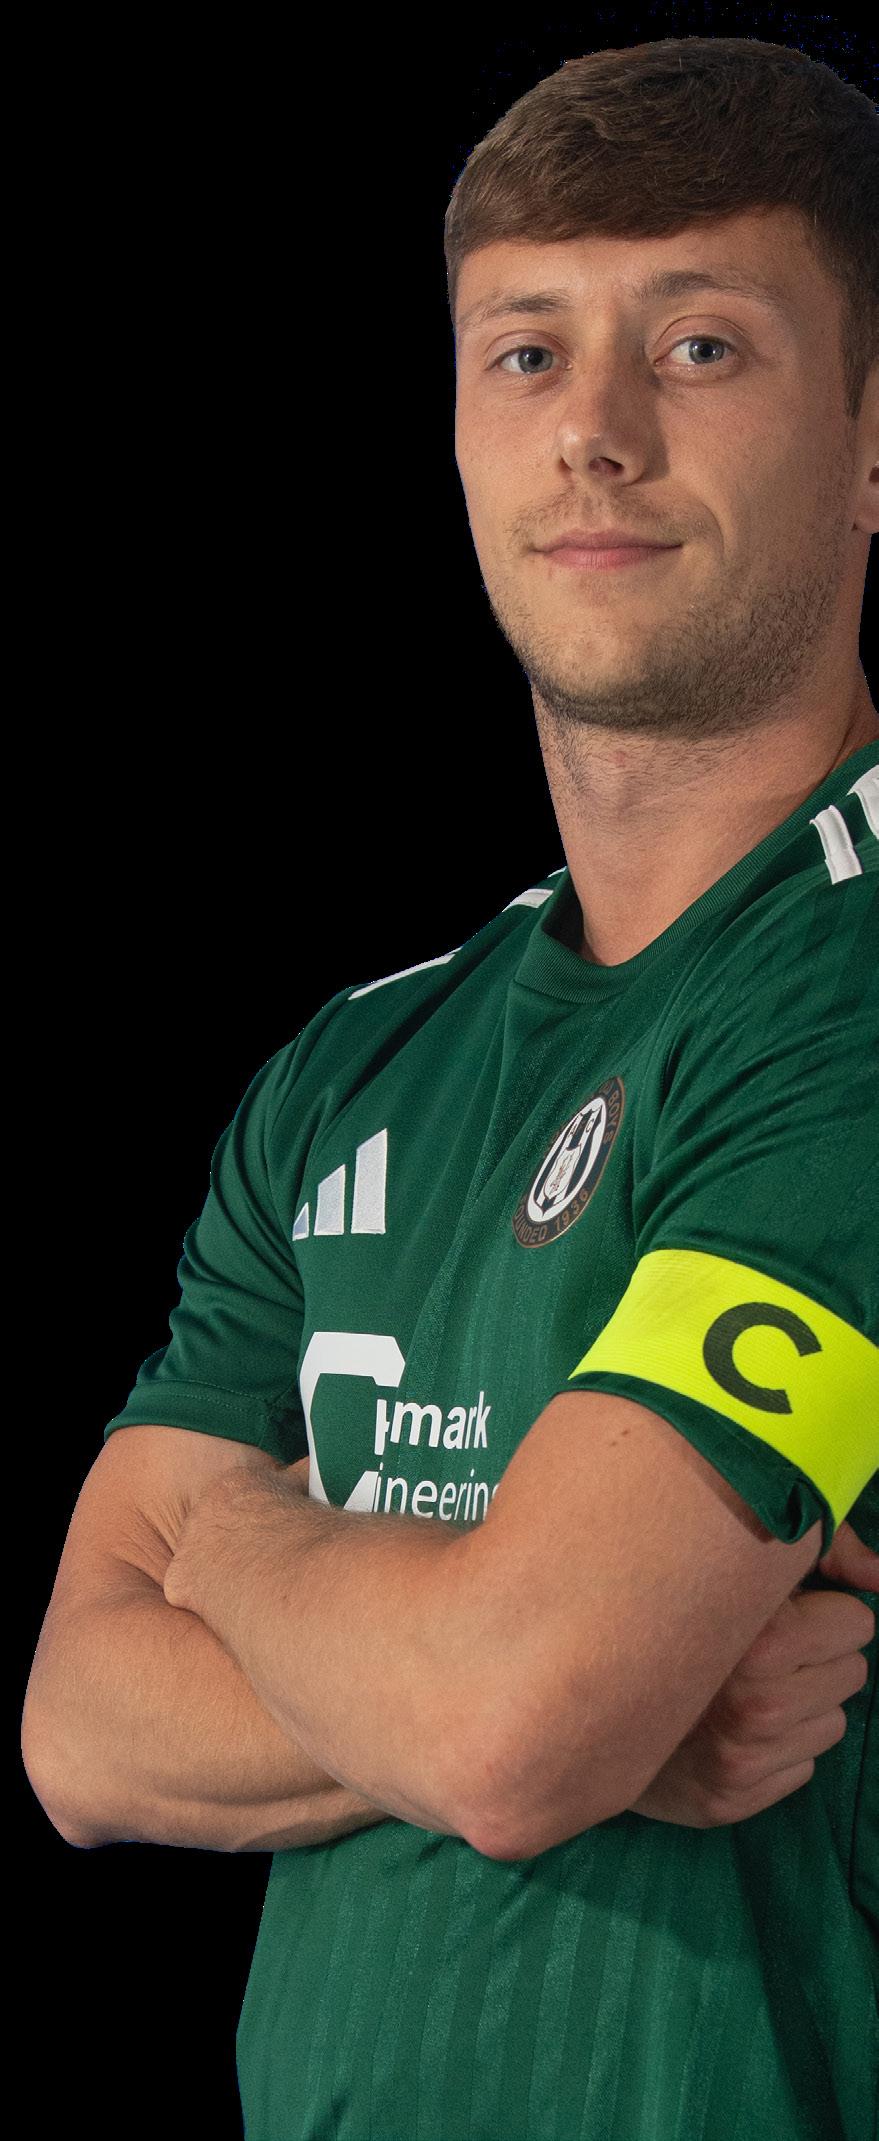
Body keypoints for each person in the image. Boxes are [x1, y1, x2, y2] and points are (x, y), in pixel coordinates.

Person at [23, 35, 879, 2141]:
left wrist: (238, 1542)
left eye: (698, 344)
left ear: (873, 438)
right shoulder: (355, 1066)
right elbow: (76, 1731)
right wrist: (555, 1705)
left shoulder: (851, 987)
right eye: (523, 353)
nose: (593, 430)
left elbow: (512, 1718)